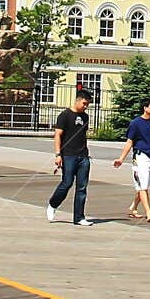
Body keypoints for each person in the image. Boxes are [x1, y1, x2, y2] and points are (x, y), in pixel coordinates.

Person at [46, 91, 94, 225]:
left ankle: (79, 217)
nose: (86, 106)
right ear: (78, 100)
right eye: (84, 103)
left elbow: (82, 136)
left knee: (82, 187)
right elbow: (58, 135)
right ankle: (53, 204)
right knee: (67, 183)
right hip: (68, 155)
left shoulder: (85, 117)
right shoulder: (65, 115)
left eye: (88, 104)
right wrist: (58, 154)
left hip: (83, 156)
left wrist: (86, 152)